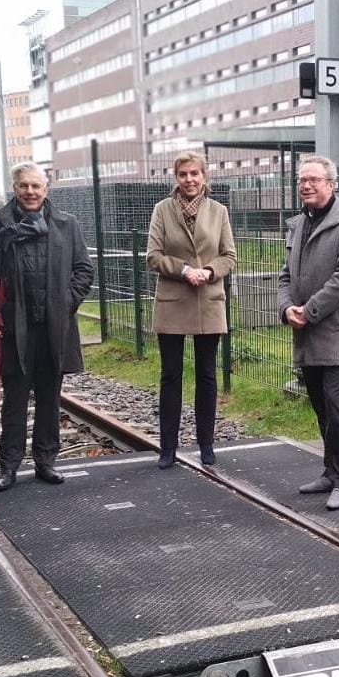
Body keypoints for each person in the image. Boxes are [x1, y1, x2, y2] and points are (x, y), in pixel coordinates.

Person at [0, 162, 94, 492]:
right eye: (23, 186)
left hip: (54, 327)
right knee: (15, 400)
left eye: (36, 186)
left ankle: (46, 461)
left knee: (49, 398)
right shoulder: (1, 222)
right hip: (15, 328)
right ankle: (9, 465)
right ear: (15, 189)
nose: (30, 191)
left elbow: (84, 271)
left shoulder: (66, 224)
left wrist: (64, 303)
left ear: (46, 189)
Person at [278, 155, 339, 511]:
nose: (306, 185)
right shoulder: (298, 224)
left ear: (332, 185)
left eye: (314, 179)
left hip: (336, 332)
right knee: (318, 404)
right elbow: (286, 275)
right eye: (302, 180)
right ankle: (330, 471)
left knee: (336, 405)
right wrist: (287, 309)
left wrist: (309, 310)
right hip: (306, 332)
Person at [146, 151, 236, 468]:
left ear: (204, 177)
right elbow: (153, 256)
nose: (189, 180)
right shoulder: (162, 210)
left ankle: (206, 443)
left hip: (208, 301)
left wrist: (209, 272)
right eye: (183, 174)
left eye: (194, 174)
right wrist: (184, 270)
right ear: (176, 178)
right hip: (172, 300)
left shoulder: (219, 211)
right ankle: (168, 447)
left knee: (206, 375)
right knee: (171, 375)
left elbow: (229, 255)